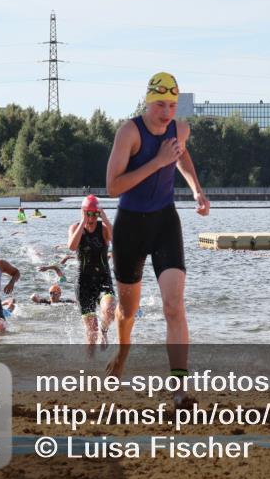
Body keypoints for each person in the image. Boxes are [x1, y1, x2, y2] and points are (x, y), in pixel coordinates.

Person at [104, 72, 210, 404]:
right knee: (127, 310)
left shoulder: (180, 129)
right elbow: (113, 187)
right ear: (148, 102)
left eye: (172, 105)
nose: (167, 112)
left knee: (174, 305)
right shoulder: (129, 132)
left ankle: (179, 389)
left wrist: (196, 190)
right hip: (130, 227)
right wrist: (158, 162)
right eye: (160, 104)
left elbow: (182, 155)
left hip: (165, 223)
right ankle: (123, 353)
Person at [67, 195, 117, 351]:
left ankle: (105, 330)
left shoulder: (103, 229)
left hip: (103, 278)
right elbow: (72, 247)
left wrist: (106, 219)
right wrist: (83, 222)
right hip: (84, 283)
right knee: (92, 332)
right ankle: (89, 365)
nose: (92, 218)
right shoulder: (75, 228)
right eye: (88, 213)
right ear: (83, 212)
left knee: (109, 310)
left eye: (95, 214)